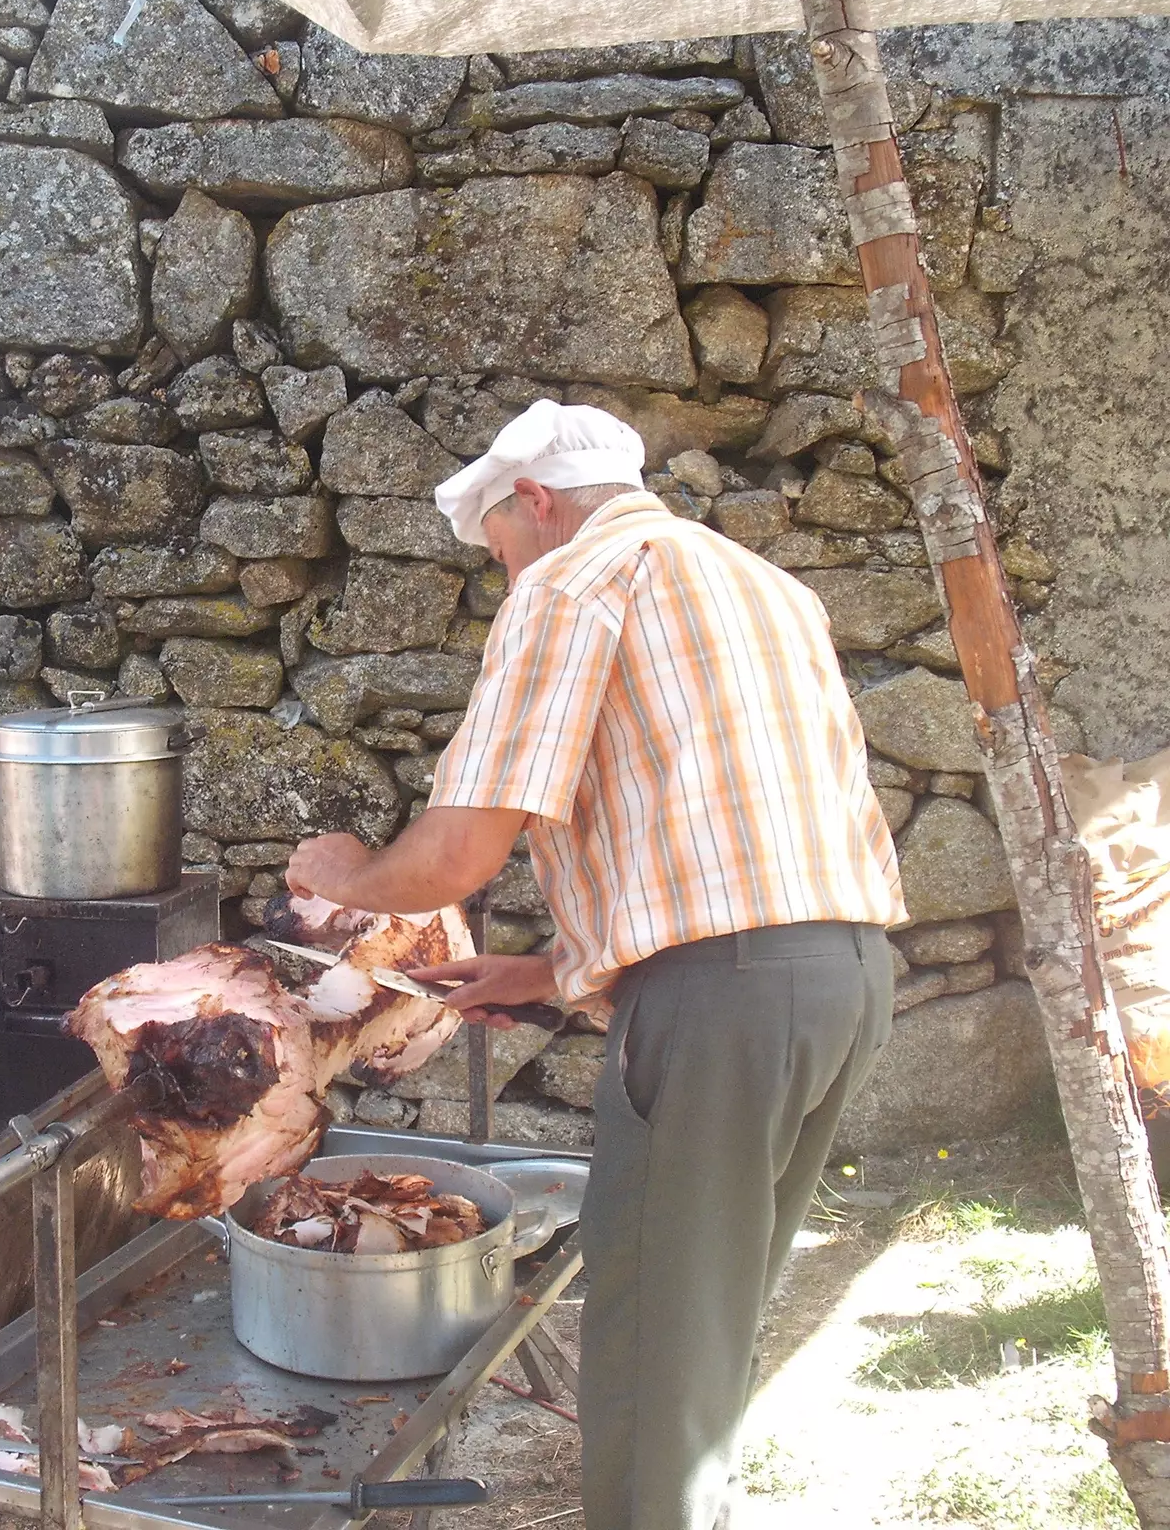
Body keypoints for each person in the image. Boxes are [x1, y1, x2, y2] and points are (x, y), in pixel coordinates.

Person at [285, 401, 904, 1530]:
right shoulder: (762, 584)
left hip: (724, 1003)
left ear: (534, 501)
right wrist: (551, 971)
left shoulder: (571, 582)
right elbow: (725, 834)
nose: (505, 577)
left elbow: (455, 857)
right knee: (711, 1309)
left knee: (655, 1326)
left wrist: (346, 878)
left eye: (499, 551)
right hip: (845, 976)